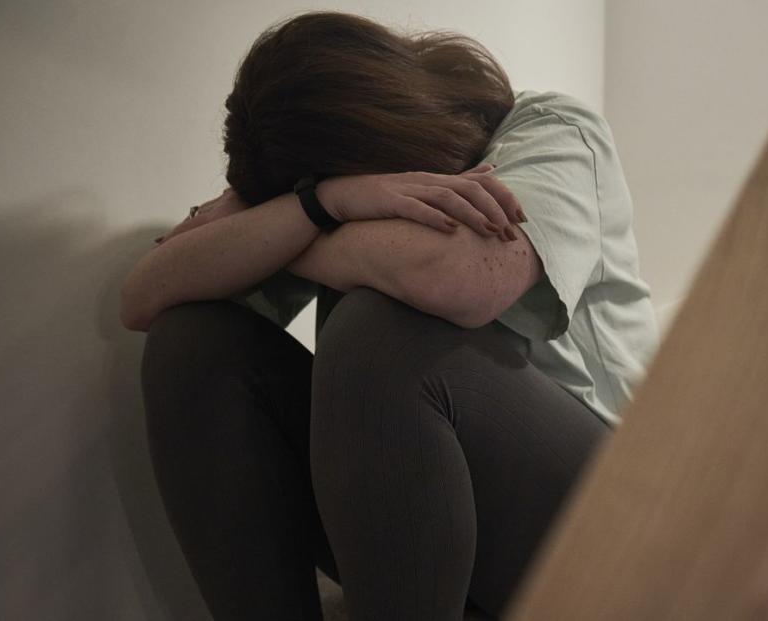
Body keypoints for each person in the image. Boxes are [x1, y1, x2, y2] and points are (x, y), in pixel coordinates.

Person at [120, 10, 658, 621]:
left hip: (621, 530)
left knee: (384, 332)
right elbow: (142, 299)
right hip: (444, 530)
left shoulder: (551, 128)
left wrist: (297, 227)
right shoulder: (332, 198)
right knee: (195, 340)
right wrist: (325, 204)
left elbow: (465, 278)